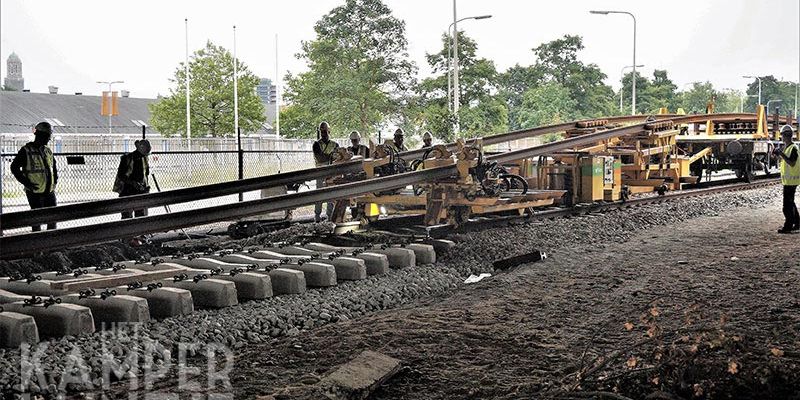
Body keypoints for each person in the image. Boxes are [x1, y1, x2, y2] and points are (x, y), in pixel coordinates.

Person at [10, 122, 58, 231]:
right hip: (34, 193)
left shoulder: (48, 151)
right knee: (37, 221)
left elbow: (53, 168)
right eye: (46, 136)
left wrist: (55, 182)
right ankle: (37, 243)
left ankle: (51, 244)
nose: (48, 139)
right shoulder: (26, 151)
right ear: (39, 135)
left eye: (49, 136)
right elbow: (14, 168)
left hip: (49, 192)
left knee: (53, 219)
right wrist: (26, 183)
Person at [114, 139, 151, 219]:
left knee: (140, 216)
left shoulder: (144, 158)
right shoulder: (127, 159)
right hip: (127, 191)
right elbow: (121, 175)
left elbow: (146, 174)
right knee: (127, 216)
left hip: (140, 191)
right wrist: (134, 183)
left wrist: (146, 186)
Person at [312, 121, 339, 222]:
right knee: (319, 194)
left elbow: (338, 157)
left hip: (331, 173)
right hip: (320, 173)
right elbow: (320, 158)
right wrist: (332, 156)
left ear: (329, 131)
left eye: (325, 131)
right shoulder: (316, 144)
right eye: (322, 132)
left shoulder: (335, 144)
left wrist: (329, 157)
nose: (323, 134)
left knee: (330, 195)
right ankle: (317, 216)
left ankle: (330, 216)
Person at [776, 125, 799, 233]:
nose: (781, 137)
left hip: (791, 181)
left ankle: (788, 226)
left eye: (782, 135)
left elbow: (792, 162)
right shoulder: (789, 147)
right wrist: (780, 154)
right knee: (791, 203)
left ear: (786, 136)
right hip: (789, 180)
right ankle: (798, 223)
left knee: (787, 206)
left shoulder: (793, 148)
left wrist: (781, 154)